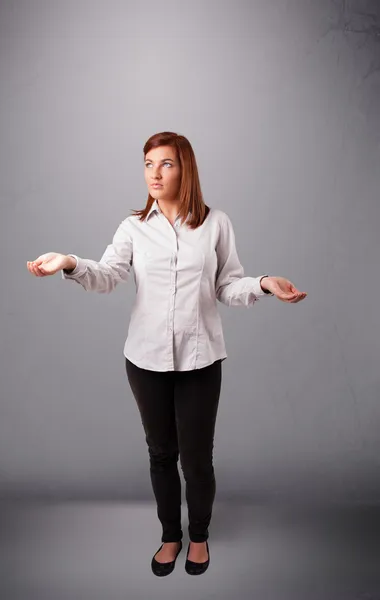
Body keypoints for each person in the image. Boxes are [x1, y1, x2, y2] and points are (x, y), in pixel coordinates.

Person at [27, 131, 307, 577]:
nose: (154, 174)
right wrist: (70, 262)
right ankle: (169, 536)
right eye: (148, 164)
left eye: (166, 164)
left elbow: (226, 285)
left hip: (201, 359)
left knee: (196, 459)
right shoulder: (132, 227)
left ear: (186, 169)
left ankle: (198, 536)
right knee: (160, 454)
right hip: (145, 360)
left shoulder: (216, 224)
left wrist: (264, 283)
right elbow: (108, 274)